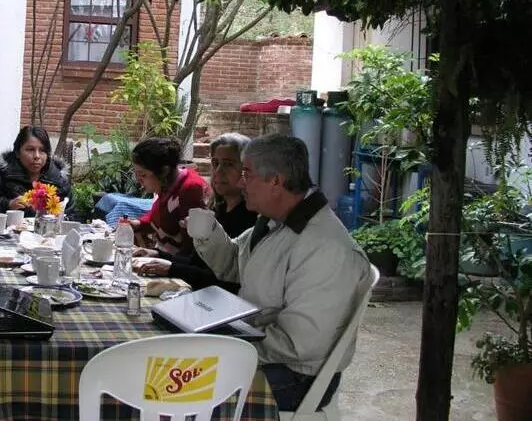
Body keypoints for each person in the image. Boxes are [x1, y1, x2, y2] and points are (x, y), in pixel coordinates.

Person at [189, 134, 371, 411]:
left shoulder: (325, 247)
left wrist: (230, 344)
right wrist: (207, 233)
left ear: (276, 180)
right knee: (169, 361)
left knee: (176, 386)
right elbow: (233, 264)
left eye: (246, 173)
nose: (240, 182)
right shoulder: (275, 224)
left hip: (296, 375)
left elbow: (301, 344)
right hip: (263, 353)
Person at [135, 133, 256, 290]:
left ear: (246, 170)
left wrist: (172, 268)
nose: (219, 171)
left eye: (228, 164)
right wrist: (159, 255)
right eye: (215, 163)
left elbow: (230, 281)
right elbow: (198, 261)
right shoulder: (219, 209)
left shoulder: (250, 218)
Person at [128, 137, 210, 258]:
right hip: (164, 261)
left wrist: (158, 256)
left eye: (143, 174)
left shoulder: (190, 189)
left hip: (178, 269)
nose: (138, 180)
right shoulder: (165, 185)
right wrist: (138, 223)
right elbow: (157, 217)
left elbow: (190, 251)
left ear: (164, 171)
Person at [0, 126, 74, 218]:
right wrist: (8, 204)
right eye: (30, 150)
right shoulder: (3, 174)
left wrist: (59, 218)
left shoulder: (57, 179)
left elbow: (73, 215)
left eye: (42, 150)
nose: (37, 156)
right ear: (18, 153)